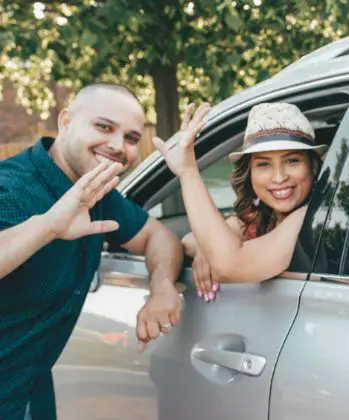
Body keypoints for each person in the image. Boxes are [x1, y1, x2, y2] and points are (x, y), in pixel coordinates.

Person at [0, 82, 204, 419]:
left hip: (28, 394)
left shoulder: (98, 194)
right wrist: (48, 225)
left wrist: (162, 287)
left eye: (131, 138)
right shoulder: (12, 187)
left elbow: (160, 237)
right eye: (104, 127)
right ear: (66, 121)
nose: (117, 145)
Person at [156, 102, 324, 300]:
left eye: (292, 161)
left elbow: (228, 265)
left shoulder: (309, 217)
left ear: (312, 167)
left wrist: (188, 173)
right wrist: (206, 247)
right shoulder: (263, 217)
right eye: (263, 164)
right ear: (249, 173)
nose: (279, 177)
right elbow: (188, 241)